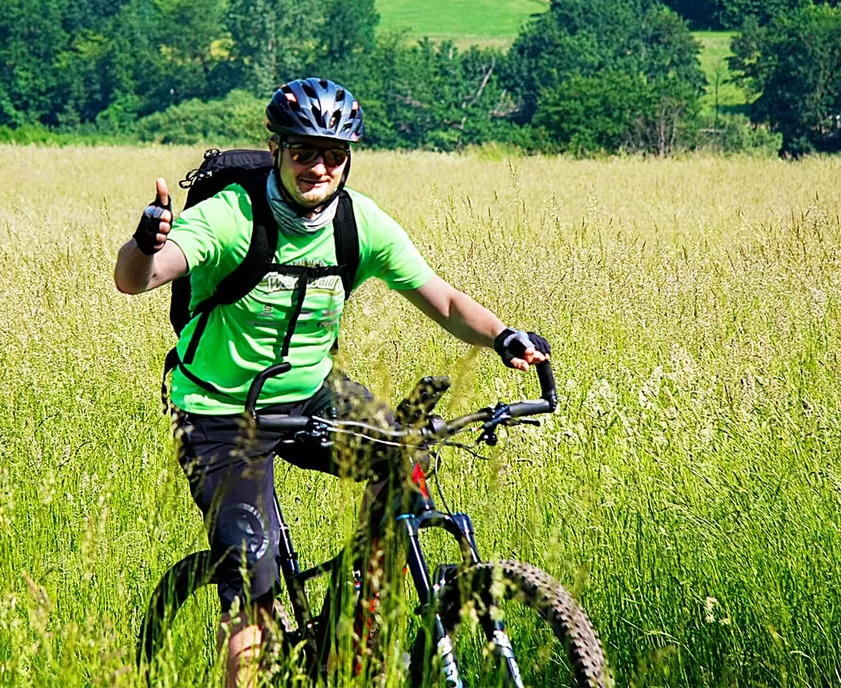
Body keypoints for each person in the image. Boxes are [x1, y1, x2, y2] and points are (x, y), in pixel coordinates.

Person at [114, 77, 550, 687]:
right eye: (303, 152)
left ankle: (355, 631)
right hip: (218, 413)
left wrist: (504, 336)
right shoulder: (231, 217)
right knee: (252, 583)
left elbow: (444, 300)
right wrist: (145, 242)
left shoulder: (357, 222)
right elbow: (137, 279)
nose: (318, 167)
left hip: (311, 392)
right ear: (276, 149)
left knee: (408, 456)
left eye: (333, 155)